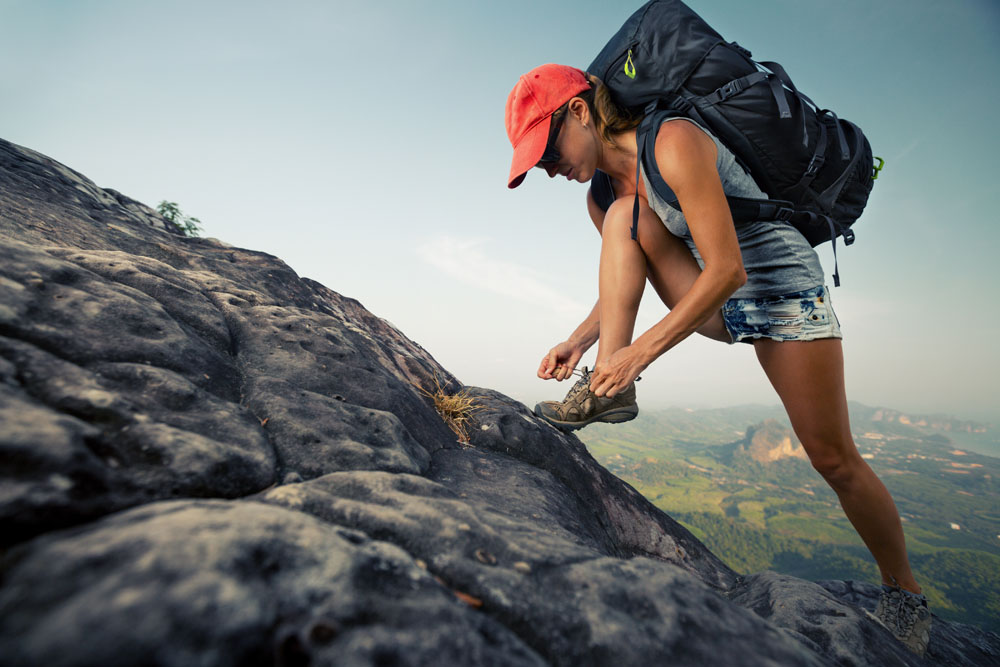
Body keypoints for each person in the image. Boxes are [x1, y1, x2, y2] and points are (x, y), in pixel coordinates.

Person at [504, 63, 932, 656]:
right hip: (705, 294)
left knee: (834, 459)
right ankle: (605, 389)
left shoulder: (673, 140)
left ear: (579, 111)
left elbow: (731, 268)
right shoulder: (603, 197)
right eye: (537, 164)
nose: (549, 169)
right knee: (624, 221)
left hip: (776, 288)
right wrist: (581, 341)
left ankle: (905, 592)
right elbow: (624, 276)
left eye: (546, 150)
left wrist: (640, 353)